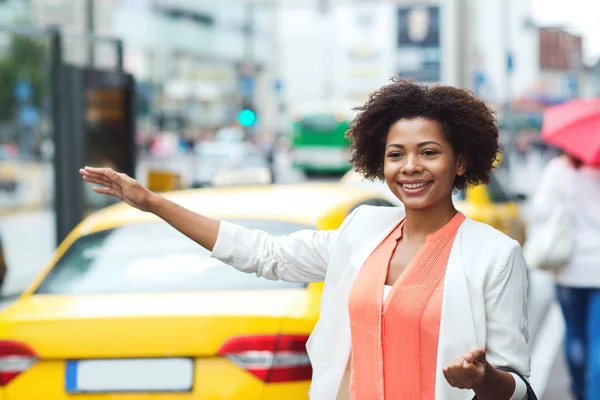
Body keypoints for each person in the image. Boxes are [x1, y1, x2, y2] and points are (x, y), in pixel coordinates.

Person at [80, 79, 531, 400]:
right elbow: (263, 254)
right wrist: (155, 204)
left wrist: (483, 378)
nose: (410, 166)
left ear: (459, 161)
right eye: (396, 154)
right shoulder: (362, 231)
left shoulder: (494, 255)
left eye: (428, 152)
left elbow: (519, 387)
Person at [528, 152, 600, 400]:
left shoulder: (560, 168)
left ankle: (580, 389)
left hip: (570, 269)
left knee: (575, 333)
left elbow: (540, 209)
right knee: (598, 342)